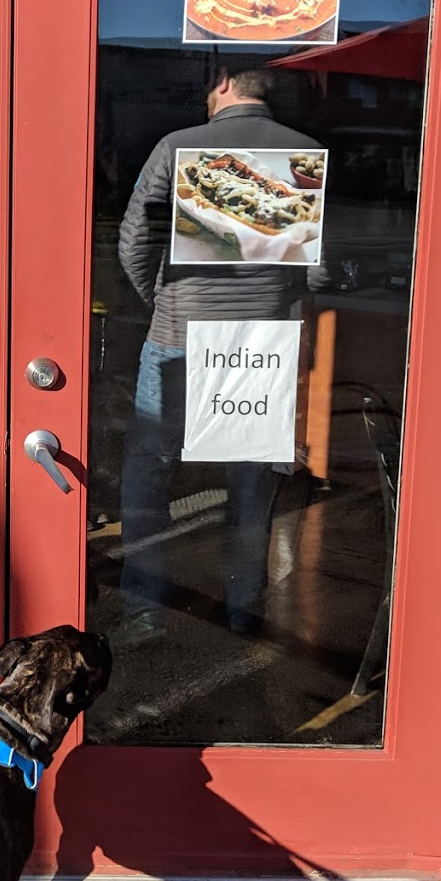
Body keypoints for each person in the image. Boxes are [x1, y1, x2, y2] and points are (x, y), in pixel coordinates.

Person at [114, 66, 324, 642]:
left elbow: (134, 240)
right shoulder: (305, 154)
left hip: (178, 338)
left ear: (224, 80)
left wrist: (164, 300)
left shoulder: (178, 146)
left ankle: (146, 610)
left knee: (149, 475)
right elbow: (318, 268)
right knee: (251, 482)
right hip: (261, 348)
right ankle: (242, 608)